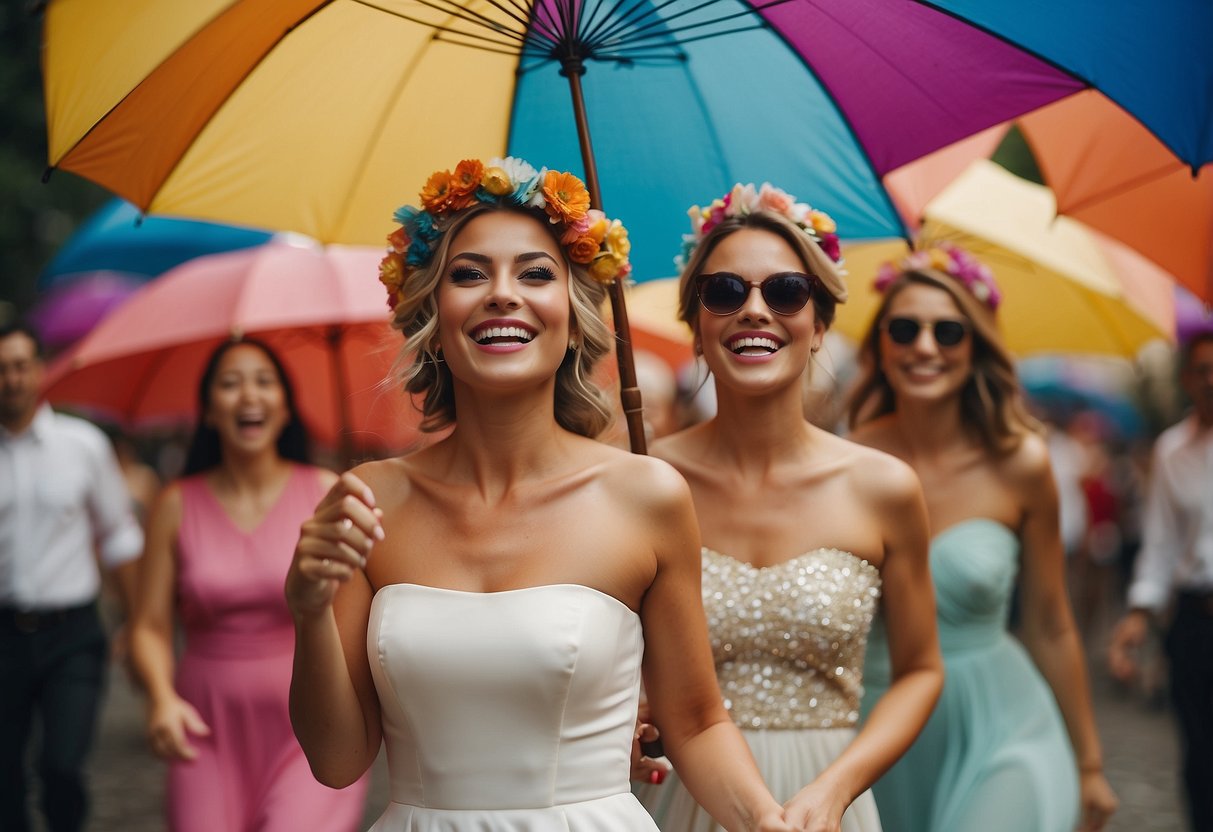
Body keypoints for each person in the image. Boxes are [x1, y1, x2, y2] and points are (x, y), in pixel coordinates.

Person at [284, 157, 794, 831]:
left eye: (534, 272)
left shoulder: (647, 497)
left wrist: (766, 819)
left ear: (574, 313)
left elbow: (696, 723)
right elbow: (337, 761)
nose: (502, 294)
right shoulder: (367, 502)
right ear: (431, 312)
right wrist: (308, 609)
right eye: (469, 274)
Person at [633, 184, 944, 832]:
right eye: (724, 291)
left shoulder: (883, 487)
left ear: (820, 323)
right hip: (680, 798)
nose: (753, 310)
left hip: (828, 802)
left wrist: (838, 788)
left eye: (784, 292)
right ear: (695, 323)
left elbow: (919, 671)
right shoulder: (641, 482)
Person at [847, 246, 1119, 832]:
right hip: (876, 731)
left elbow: (1050, 622)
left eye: (948, 331)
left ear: (975, 349)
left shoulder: (1021, 463)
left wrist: (1090, 763)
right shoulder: (845, 464)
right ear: (881, 347)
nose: (925, 346)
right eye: (904, 328)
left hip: (1002, 721)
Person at [128, 338, 369, 831]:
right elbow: (149, 626)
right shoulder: (175, 503)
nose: (248, 396)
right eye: (230, 384)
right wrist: (160, 698)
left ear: (285, 406)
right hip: (204, 724)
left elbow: (357, 621)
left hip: (312, 725)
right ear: (210, 411)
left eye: (264, 382)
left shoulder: (327, 493)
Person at [0, 319, 144, 832]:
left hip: (72, 635)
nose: (11, 380)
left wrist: (136, 622)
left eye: (20, 366)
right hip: (4, 634)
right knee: (5, 779)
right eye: (1, 370)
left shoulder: (82, 445)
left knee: (61, 765)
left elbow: (120, 537)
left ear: (39, 370)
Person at [1109, 331, 1213, 831]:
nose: (1211, 379)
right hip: (1197, 622)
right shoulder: (1173, 450)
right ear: (1187, 379)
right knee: (1200, 751)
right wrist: (1139, 613)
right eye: (1202, 369)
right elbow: (1162, 544)